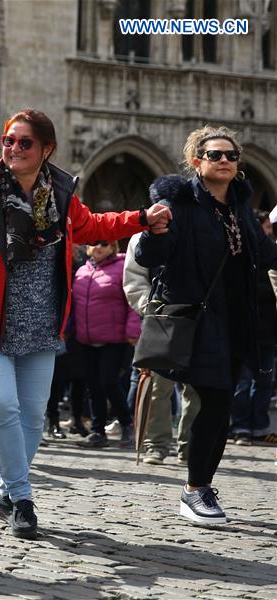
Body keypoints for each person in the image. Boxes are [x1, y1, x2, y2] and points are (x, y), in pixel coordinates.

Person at [0, 108, 171, 539]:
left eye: (25, 143)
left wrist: (141, 219)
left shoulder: (60, 193)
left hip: (41, 323)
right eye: (9, 141)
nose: (14, 149)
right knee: (2, 405)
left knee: (34, 416)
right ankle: (21, 499)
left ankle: (6, 490)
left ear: (46, 149)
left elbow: (92, 226)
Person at [135, 126, 277, 525]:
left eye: (232, 155)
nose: (225, 161)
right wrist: (154, 230)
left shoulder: (240, 207)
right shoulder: (179, 204)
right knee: (214, 401)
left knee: (222, 405)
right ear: (196, 161)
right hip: (198, 320)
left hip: (236, 320)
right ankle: (196, 489)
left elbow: (265, 255)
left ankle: (200, 487)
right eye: (215, 155)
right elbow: (150, 255)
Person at [123, 232, 201, 465]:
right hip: (161, 319)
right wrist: (152, 308)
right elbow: (134, 279)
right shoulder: (143, 236)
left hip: (199, 316)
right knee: (158, 387)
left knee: (196, 387)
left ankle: (190, 447)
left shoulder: (205, 222)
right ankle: (156, 444)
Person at [72, 240, 139, 448]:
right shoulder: (82, 270)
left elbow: (132, 302)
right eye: (93, 243)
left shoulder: (123, 267)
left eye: (104, 243)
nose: (98, 247)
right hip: (86, 338)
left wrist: (133, 330)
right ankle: (98, 431)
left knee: (108, 382)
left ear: (113, 247)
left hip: (115, 338)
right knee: (93, 385)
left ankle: (127, 425)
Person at [231, 210, 276, 445]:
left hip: (269, 333)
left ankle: (258, 426)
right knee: (243, 382)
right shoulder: (239, 258)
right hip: (245, 331)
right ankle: (240, 428)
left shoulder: (271, 258)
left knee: (265, 382)